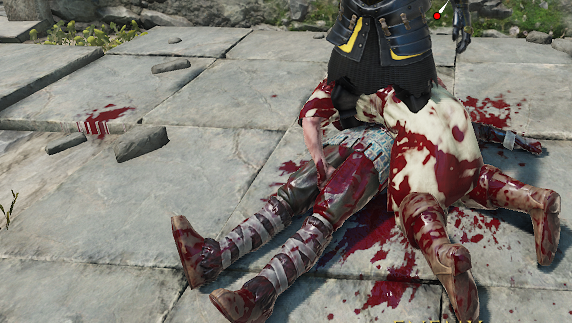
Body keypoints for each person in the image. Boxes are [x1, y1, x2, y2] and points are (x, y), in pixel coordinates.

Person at [213, 0, 561, 322]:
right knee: (372, 110)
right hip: (357, 27)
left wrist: (461, 10)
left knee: (416, 142)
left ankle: (438, 243)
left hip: (402, 38)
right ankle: (511, 209)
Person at [172, 112, 550, 323]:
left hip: (378, 157)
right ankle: (211, 257)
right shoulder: (382, 85)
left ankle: (259, 294)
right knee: (287, 198)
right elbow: (342, 109)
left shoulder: (434, 107)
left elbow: (473, 128)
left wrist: (514, 140)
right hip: (346, 144)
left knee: (323, 218)